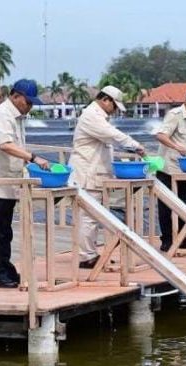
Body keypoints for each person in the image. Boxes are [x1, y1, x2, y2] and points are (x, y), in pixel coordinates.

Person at [0, 79, 50, 288]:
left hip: (8, 181)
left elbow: (17, 147)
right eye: (28, 102)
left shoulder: (18, 117)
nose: (30, 107)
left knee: (4, 231)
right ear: (16, 96)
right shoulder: (2, 114)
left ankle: (5, 269)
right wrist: (34, 158)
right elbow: (5, 145)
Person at [68, 85, 145, 269]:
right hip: (86, 174)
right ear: (106, 100)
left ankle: (90, 254)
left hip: (94, 174)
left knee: (92, 218)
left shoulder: (98, 116)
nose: (115, 110)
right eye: (115, 106)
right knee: (87, 218)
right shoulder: (92, 116)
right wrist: (136, 145)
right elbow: (113, 135)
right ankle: (86, 256)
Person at [154, 87, 186, 252]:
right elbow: (161, 135)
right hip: (168, 168)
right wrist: (176, 146)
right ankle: (167, 239)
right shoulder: (175, 115)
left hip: (185, 170)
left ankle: (181, 237)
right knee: (166, 206)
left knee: (183, 204)